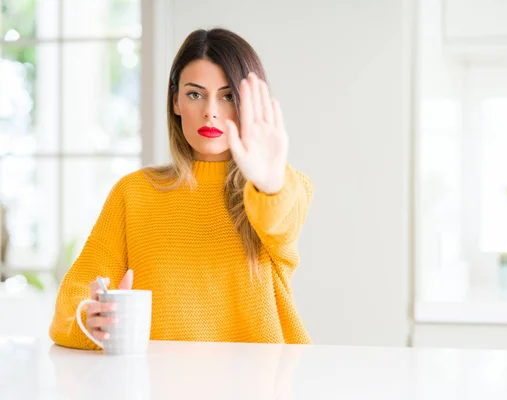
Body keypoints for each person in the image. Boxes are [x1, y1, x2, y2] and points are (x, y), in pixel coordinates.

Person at [49, 28, 313, 349]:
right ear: (175, 101)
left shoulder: (282, 189)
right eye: (195, 94)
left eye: (227, 96)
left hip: (260, 385)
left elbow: (281, 218)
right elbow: (73, 300)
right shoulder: (134, 193)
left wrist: (269, 184)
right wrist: (90, 319)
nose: (210, 111)